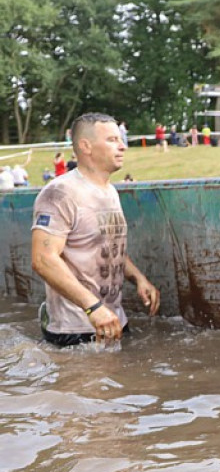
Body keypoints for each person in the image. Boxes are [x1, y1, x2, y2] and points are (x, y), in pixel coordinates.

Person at [30, 112, 160, 347]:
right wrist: (93, 307)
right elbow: (43, 259)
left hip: (113, 320)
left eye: (120, 139)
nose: (123, 147)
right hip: (74, 329)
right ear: (86, 146)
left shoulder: (109, 191)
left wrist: (139, 278)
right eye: (112, 140)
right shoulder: (60, 192)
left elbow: (106, 246)